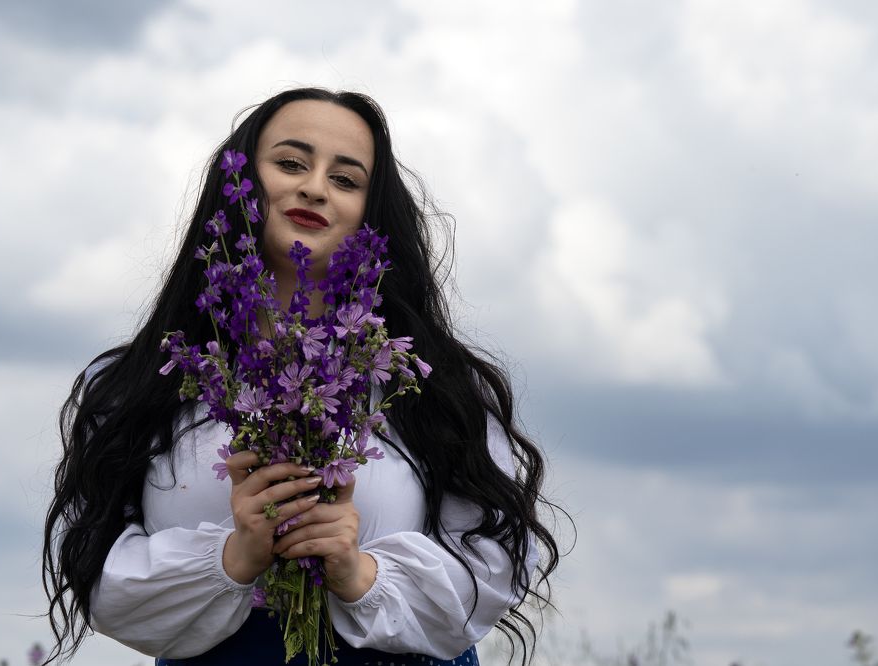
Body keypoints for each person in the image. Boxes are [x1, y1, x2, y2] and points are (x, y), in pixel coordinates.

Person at [43, 87, 561, 665]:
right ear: (238, 184)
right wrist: (233, 558)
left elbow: (490, 572)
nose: (314, 186)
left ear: (371, 213)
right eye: (291, 163)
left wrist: (357, 571)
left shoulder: (437, 389)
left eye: (346, 179)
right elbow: (101, 580)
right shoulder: (145, 387)